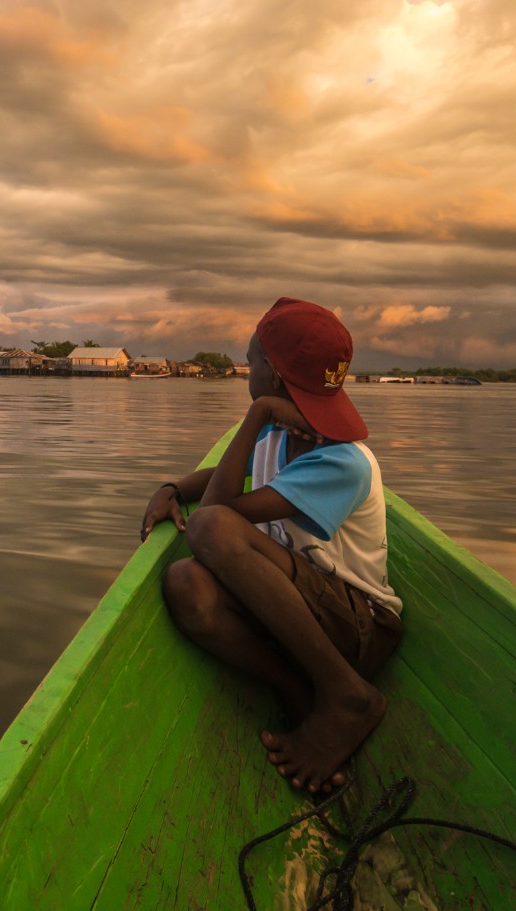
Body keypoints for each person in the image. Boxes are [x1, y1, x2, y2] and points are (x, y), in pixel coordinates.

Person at [139, 297, 401, 794]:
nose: (246, 371)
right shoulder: (284, 440)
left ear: (274, 377)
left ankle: (346, 693)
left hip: (359, 629)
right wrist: (173, 487)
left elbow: (215, 516)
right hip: (306, 614)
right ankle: (298, 688)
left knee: (212, 529)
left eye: (251, 362)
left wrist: (256, 415)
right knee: (186, 584)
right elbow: (226, 475)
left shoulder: (342, 461)